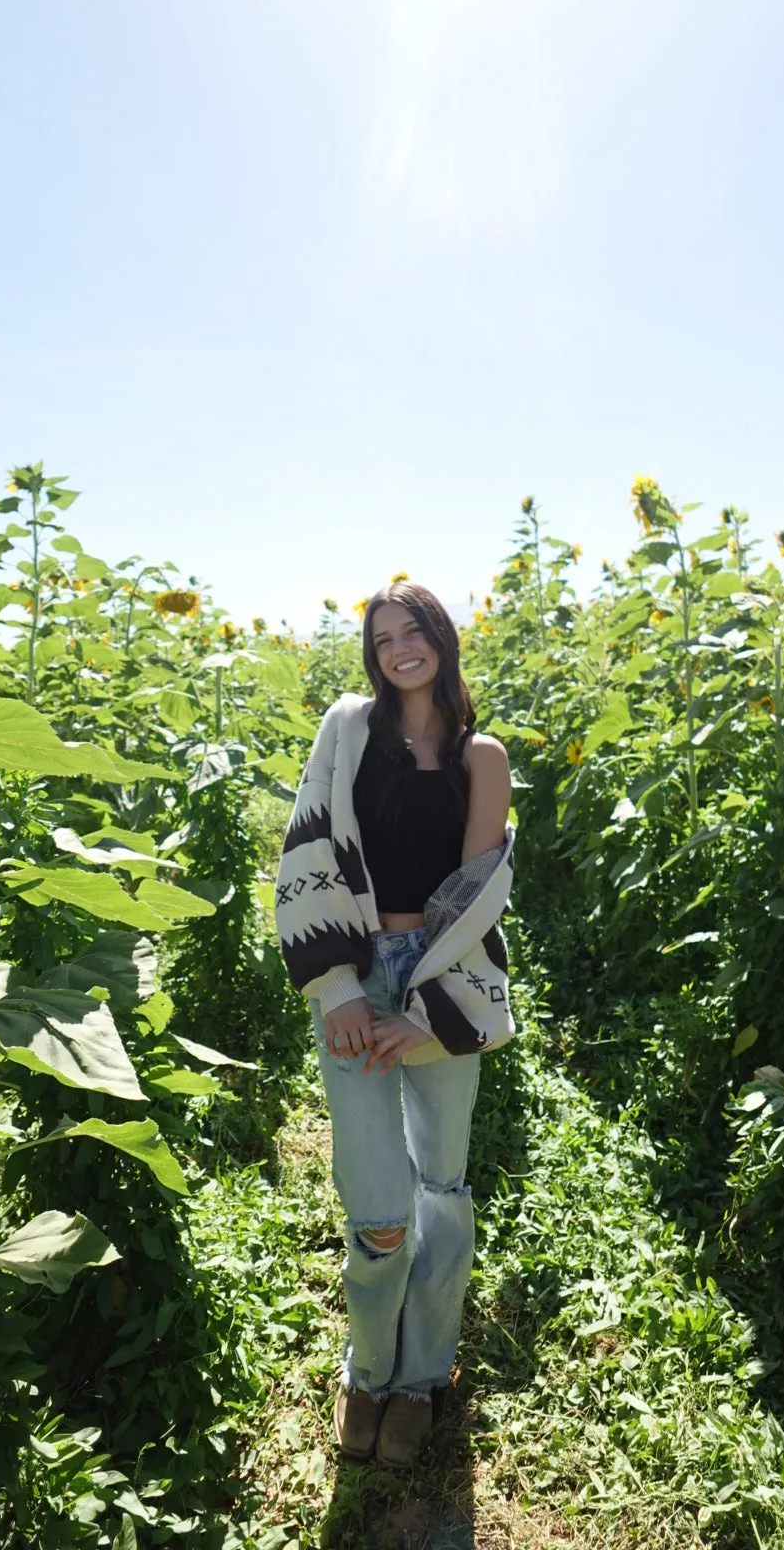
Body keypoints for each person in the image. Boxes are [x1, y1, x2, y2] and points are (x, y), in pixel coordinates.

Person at [274, 581, 515, 1469]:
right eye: (383, 638)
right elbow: (305, 848)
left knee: (442, 1196)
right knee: (378, 1208)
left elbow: (476, 897)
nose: (400, 648)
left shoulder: (480, 756)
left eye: (414, 631)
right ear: (371, 655)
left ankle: (420, 1378)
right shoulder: (348, 731)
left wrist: (427, 1016)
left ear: (442, 641)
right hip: (356, 976)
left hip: (445, 981)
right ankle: (366, 1370)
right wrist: (338, 990)